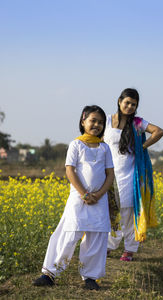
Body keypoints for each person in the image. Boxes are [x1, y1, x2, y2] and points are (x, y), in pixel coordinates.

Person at [33, 105, 114, 290]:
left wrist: (99, 194)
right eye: (93, 120)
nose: (97, 125)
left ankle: (91, 277)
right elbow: (70, 170)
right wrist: (84, 194)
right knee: (68, 233)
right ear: (83, 121)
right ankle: (50, 274)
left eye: (101, 122)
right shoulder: (76, 144)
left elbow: (110, 174)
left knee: (96, 236)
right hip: (79, 198)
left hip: (99, 200)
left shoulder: (105, 148)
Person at [104, 88, 163, 261]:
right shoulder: (107, 120)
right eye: (127, 103)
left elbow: (158, 131)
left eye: (133, 104)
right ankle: (109, 245)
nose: (129, 107)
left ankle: (129, 249)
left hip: (130, 175)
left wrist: (142, 147)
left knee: (129, 214)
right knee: (111, 212)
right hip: (109, 174)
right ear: (119, 101)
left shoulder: (137, 123)